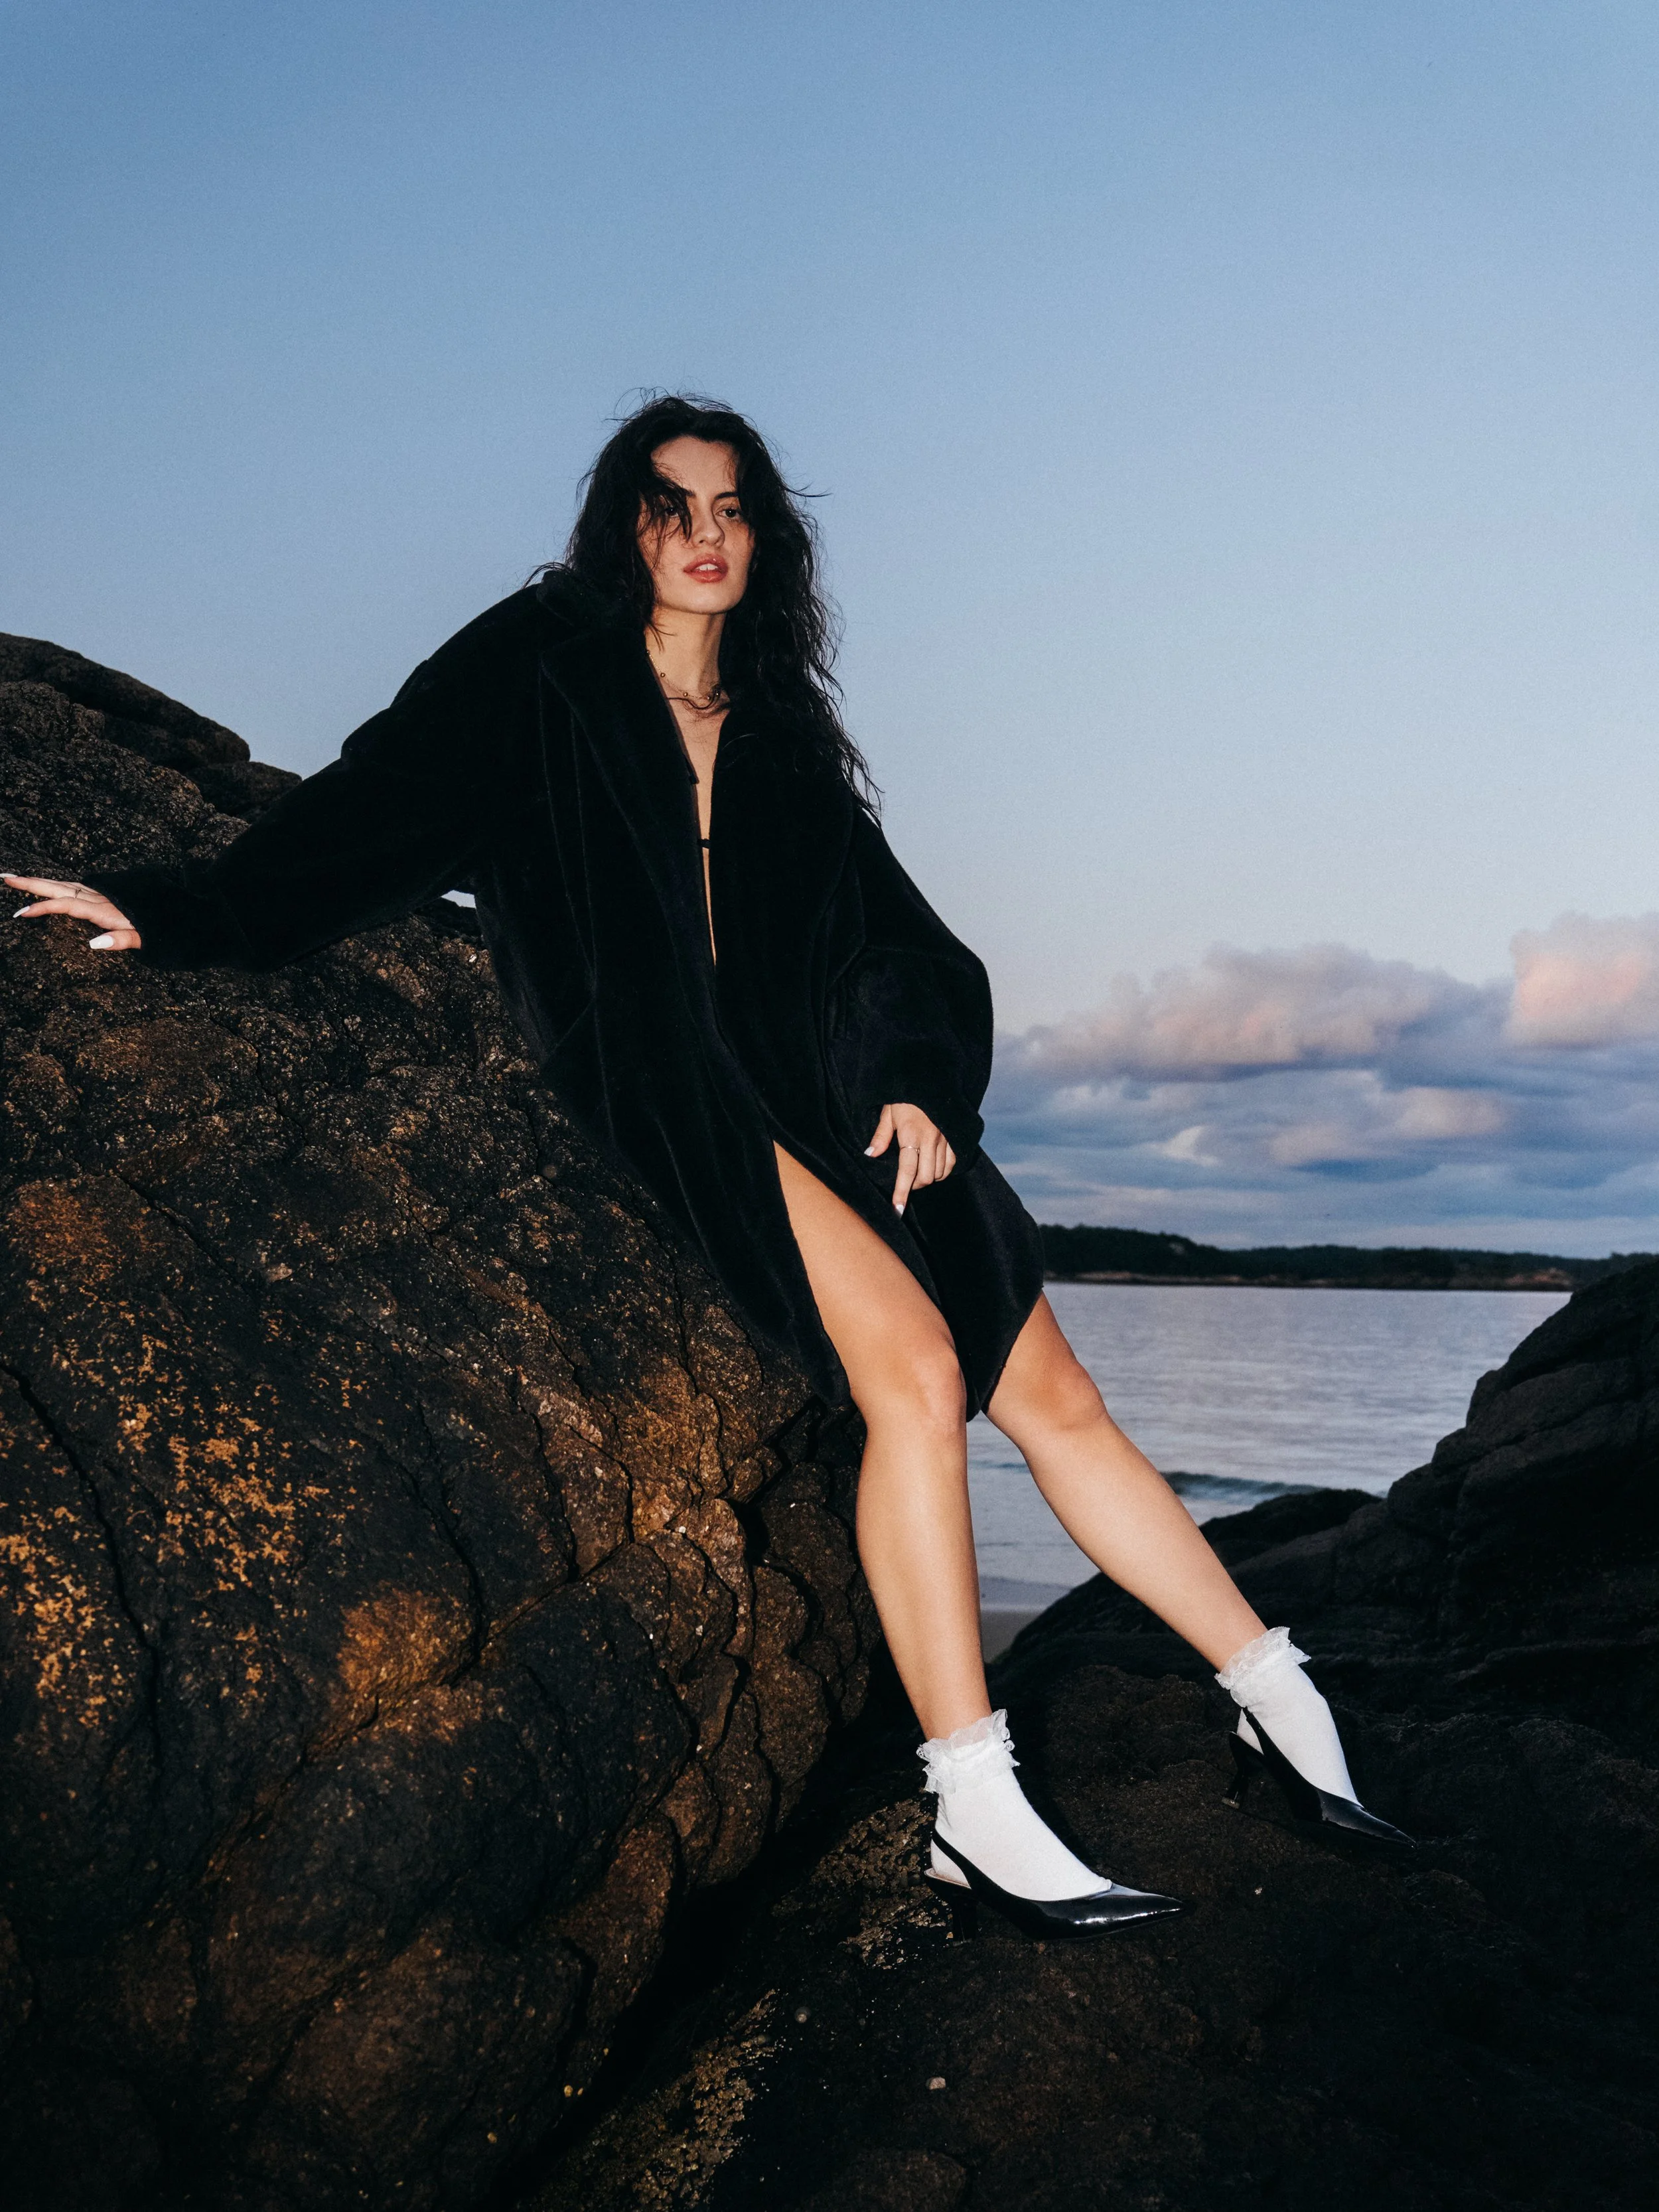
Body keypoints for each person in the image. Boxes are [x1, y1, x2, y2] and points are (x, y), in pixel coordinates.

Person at [5, 394, 1411, 1943]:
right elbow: (379, 799)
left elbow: (895, 934)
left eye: (733, 508)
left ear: (764, 538)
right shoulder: (540, 666)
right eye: (672, 505)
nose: (704, 535)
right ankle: (969, 1795)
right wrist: (189, 907)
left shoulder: (782, 728)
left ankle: (1279, 1698)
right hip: (679, 1092)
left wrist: (916, 1074)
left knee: (1058, 1398)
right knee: (918, 1380)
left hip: (844, 1095)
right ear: (627, 527)